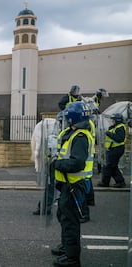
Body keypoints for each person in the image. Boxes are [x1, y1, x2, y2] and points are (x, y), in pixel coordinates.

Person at [51, 101, 94, 267]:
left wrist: (57, 163)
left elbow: (77, 163)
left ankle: (72, 259)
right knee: (63, 216)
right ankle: (66, 248)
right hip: (68, 185)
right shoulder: (72, 133)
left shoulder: (81, 137)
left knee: (70, 221)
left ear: (72, 119)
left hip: (74, 185)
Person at [97, 113, 127, 188]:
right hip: (112, 149)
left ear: (117, 120)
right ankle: (108, 182)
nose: (112, 121)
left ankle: (116, 182)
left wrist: (108, 133)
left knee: (110, 166)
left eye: (113, 120)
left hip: (117, 149)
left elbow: (120, 139)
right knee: (110, 166)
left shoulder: (120, 127)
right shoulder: (115, 127)